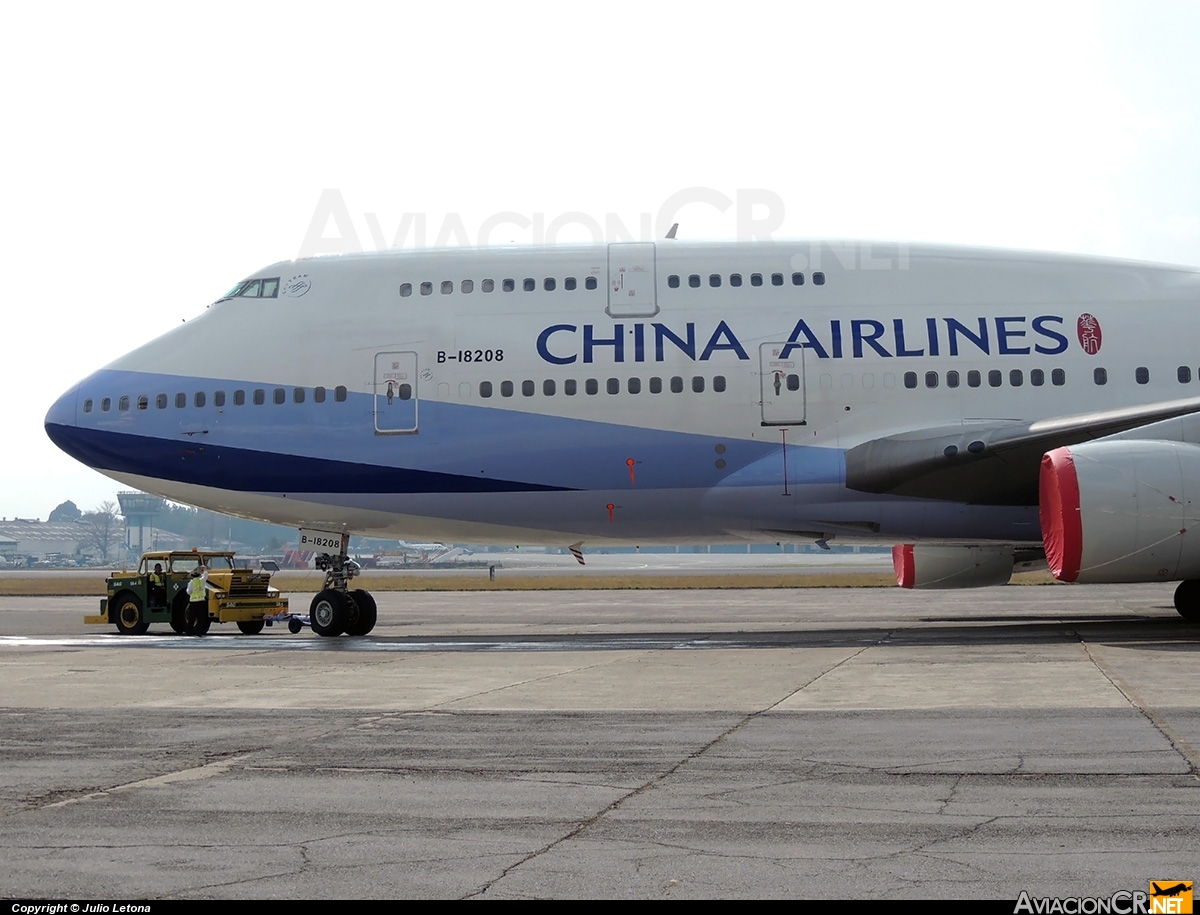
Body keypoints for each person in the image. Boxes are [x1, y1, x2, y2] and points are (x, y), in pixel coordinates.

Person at [185, 565, 209, 636]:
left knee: (191, 618)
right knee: (200, 618)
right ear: (199, 575)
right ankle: (199, 632)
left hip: (193, 602)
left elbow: (188, 592)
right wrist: (205, 569)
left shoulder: (191, 583)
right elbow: (206, 576)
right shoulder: (202, 581)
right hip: (201, 601)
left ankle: (189, 632)